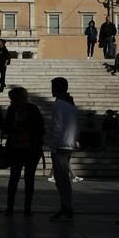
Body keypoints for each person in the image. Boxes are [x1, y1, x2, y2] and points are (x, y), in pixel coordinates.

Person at [3, 87, 44, 217]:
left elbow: (40, 128)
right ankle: (9, 208)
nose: (11, 101)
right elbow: (5, 128)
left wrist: (34, 142)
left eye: (13, 98)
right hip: (16, 148)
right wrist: (13, 127)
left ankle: (27, 208)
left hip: (30, 148)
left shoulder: (32, 109)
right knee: (14, 178)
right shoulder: (11, 110)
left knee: (29, 178)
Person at [47, 77, 78, 219]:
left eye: (53, 87)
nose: (51, 89)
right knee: (63, 178)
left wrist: (52, 145)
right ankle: (66, 206)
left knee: (61, 179)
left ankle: (66, 206)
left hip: (60, 145)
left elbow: (57, 125)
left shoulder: (59, 103)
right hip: (68, 143)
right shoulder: (70, 103)